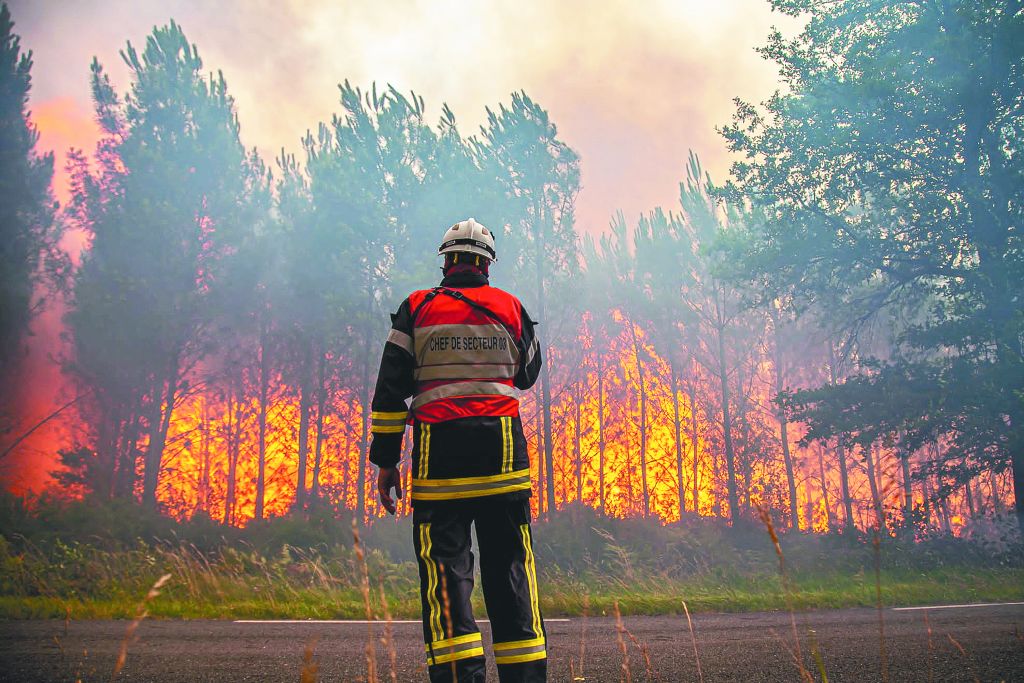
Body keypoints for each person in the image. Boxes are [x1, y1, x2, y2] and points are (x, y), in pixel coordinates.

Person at [368, 218, 545, 683]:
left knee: (446, 581)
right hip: (503, 463)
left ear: (446, 261)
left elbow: (390, 394)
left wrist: (387, 462)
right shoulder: (511, 307)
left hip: (439, 467)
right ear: (486, 263)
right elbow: (527, 373)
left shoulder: (416, 308)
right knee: (511, 573)